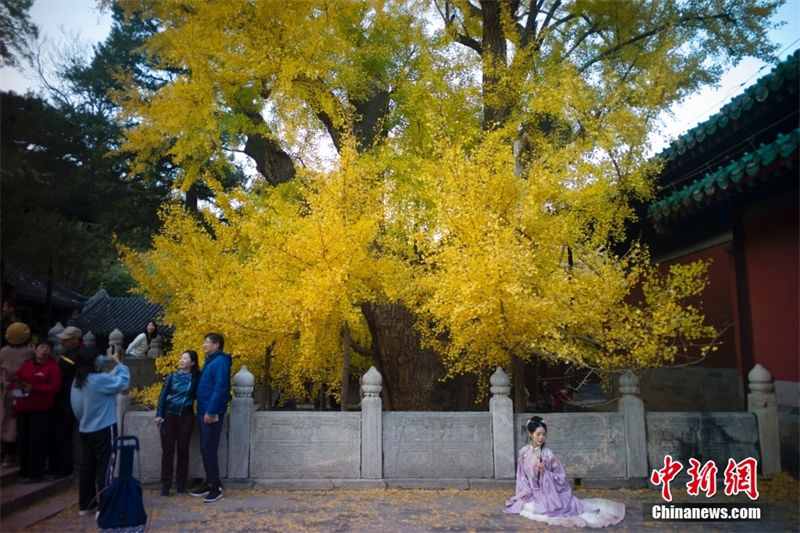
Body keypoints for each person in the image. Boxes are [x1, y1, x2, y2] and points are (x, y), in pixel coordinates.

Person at [504, 416, 625, 528]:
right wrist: (525, 491)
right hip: (531, 492)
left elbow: (561, 477)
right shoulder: (523, 453)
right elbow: (521, 476)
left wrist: (545, 473)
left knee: (548, 508)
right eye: (538, 434)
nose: (541, 437)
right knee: (524, 504)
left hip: (549, 493)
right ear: (530, 434)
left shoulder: (548, 455)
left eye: (544, 434)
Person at [70, 346, 130, 517]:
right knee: (106, 466)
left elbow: (77, 407)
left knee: (87, 466)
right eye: (99, 357)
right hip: (104, 428)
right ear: (94, 361)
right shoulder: (98, 379)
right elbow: (123, 381)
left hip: (85, 428)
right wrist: (120, 364)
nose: (102, 359)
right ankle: (106, 506)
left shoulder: (77, 381)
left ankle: (86, 504)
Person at [190, 333, 231, 503]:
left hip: (211, 412)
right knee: (205, 449)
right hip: (204, 410)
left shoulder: (220, 362)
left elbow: (221, 387)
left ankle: (216, 487)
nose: (204, 345)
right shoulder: (211, 362)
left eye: (207, 343)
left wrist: (211, 411)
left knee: (209, 449)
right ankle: (209, 482)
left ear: (217, 345)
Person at [13, 340, 61, 483]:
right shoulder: (26, 366)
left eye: (47, 348)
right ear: (35, 350)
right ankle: (23, 471)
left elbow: (54, 387)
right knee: (24, 441)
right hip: (23, 408)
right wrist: (19, 386)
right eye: (41, 347)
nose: (44, 350)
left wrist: (34, 389)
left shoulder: (53, 367)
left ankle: (35, 474)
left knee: (37, 443)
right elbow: (16, 379)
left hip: (40, 410)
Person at [155, 349, 200, 496]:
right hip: (169, 416)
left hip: (186, 416)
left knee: (183, 451)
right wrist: (159, 414)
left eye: (185, 358)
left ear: (192, 362)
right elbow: (163, 396)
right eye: (181, 358)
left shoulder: (195, 378)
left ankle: (181, 483)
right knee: (167, 452)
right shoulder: (171, 376)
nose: (181, 360)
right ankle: (165, 485)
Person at [46, 326, 82, 480]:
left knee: (64, 436)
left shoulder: (79, 355)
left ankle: (65, 467)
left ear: (75, 339)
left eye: (66, 339)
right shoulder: (65, 354)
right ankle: (55, 465)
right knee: (56, 435)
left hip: (69, 399)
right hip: (59, 398)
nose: (62, 341)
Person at [0, 322, 35, 466]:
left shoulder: (3, 351)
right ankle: (10, 456)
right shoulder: (29, 353)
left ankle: (5, 454)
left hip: (4, 389)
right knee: (14, 424)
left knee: (4, 419)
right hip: (19, 389)